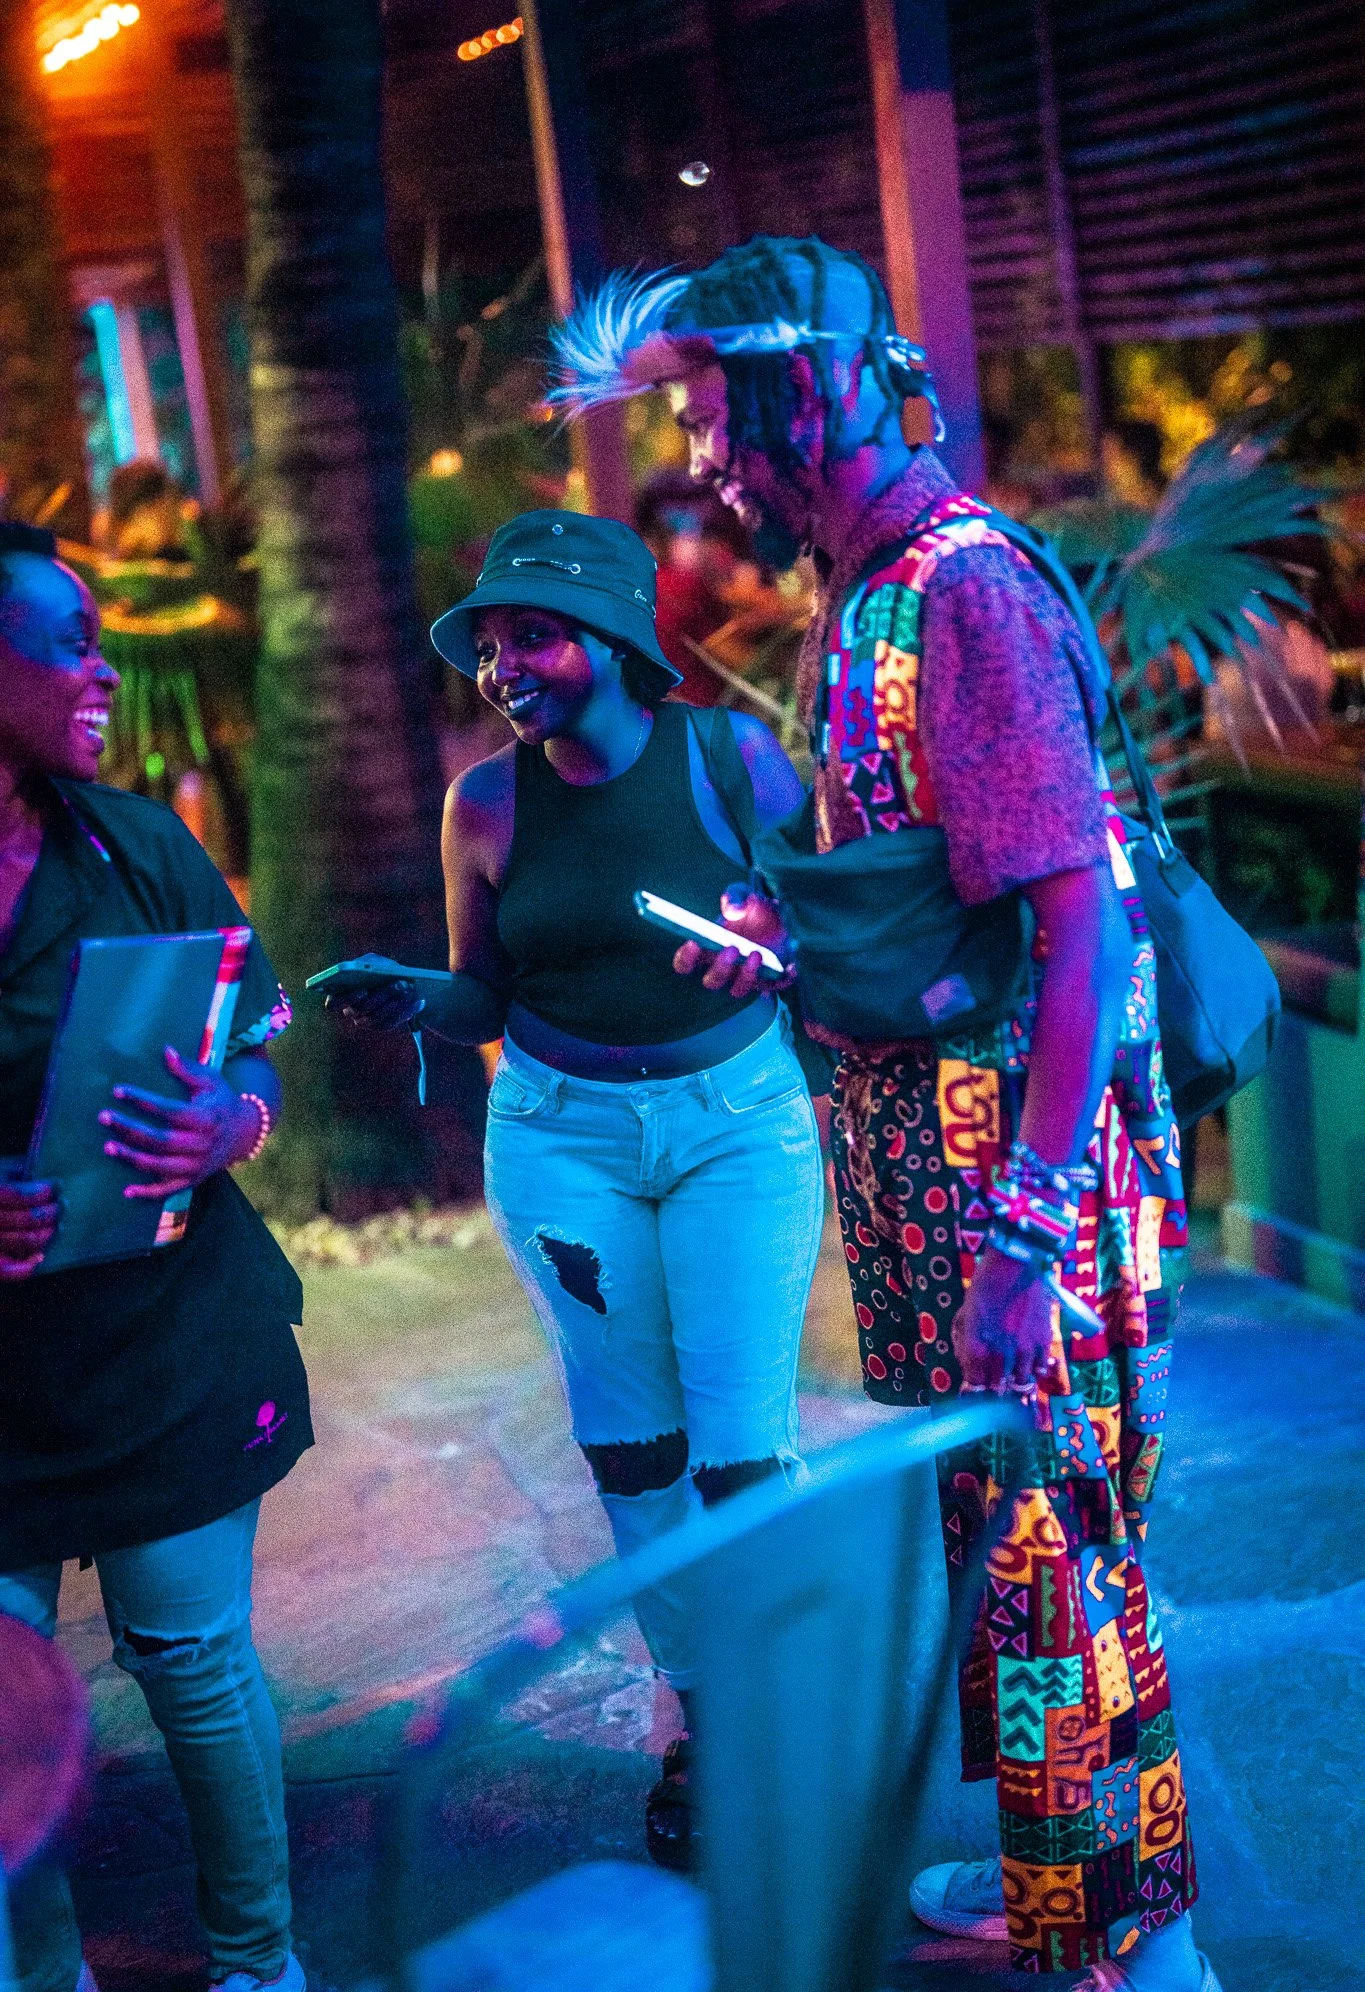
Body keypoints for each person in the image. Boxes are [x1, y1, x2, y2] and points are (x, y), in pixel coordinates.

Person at [549, 242, 1217, 1990]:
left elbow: (1079, 929)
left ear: (817, 388)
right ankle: (1059, 1887)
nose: (704, 458)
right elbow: (948, 895)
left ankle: (1127, 1944)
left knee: (1060, 1561)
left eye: (713, 412)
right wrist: (796, 936)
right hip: (945, 1170)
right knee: (1006, 1552)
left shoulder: (964, 587)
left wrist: (1022, 1232)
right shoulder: (873, 592)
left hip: (1018, 1182)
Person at [336, 508, 825, 1864]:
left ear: (612, 640)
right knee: (632, 1446)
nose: (504, 667)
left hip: (735, 1123)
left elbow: (824, 933)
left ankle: (780, 1706)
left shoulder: (731, 761)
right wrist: (415, 1001)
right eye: (491, 645)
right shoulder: (483, 801)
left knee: (740, 1452)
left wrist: (779, 947)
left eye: (534, 636)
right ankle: (705, 1726)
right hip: (559, 1135)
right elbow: (483, 986)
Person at [0, 523, 311, 1992]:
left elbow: (261, 1025)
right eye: (68, 640)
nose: (102, 669)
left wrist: (232, 1114)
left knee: (193, 1664)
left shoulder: (137, 847)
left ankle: (263, 1968)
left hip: (165, 1350)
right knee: (5, 1725)